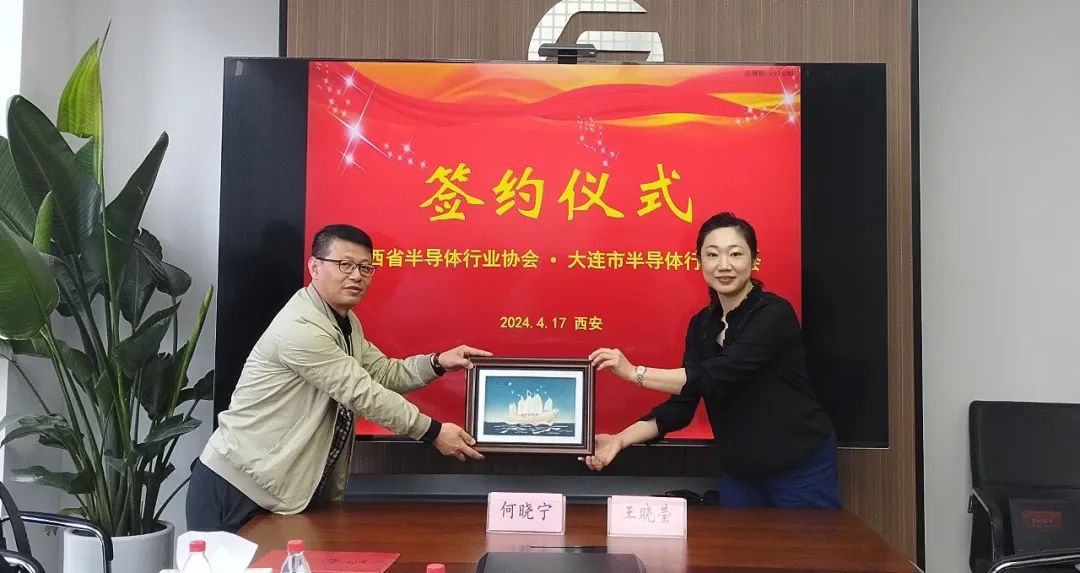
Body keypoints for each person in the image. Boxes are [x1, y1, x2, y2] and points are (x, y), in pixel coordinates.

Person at [187, 224, 490, 531]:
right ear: (314, 267)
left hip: (279, 491)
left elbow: (382, 372)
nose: (356, 275)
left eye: (365, 267)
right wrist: (432, 431)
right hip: (238, 487)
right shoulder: (301, 326)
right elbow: (361, 392)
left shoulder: (344, 321)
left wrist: (437, 362)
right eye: (345, 264)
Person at [584, 212, 840, 508]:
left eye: (736, 254)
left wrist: (634, 373)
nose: (724, 265)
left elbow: (716, 374)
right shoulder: (702, 325)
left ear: (754, 260)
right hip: (741, 470)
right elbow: (681, 406)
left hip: (799, 464)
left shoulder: (774, 313)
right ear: (699, 261)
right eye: (712, 254)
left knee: (810, 540)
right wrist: (620, 439)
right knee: (736, 541)